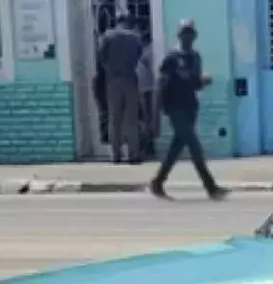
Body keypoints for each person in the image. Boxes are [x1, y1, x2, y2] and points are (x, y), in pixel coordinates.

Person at [150, 20, 227, 200]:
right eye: (184, 34)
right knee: (194, 147)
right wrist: (157, 113)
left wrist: (203, 81)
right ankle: (211, 187)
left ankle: (157, 182)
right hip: (175, 108)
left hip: (191, 107)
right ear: (179, 36)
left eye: (190, 34)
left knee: (176, 148)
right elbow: (160, 85)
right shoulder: (171, 59)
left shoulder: (195, 57)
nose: (187, 38)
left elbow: (195, 85)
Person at [97, 12, 144, 164]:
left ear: (117, 21)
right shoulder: (135, 38)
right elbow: (138, 56)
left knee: (114, 118)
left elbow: (101, 57)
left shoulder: (108, 36)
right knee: (131, 119)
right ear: (128, 22)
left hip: (113, 80)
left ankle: (115, 155)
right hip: (130, 78)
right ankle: (133, 154)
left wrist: (109, 69)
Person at [136, 34, 159, 161]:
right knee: (147, 118)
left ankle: (148, 144)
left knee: (146, 118)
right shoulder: (147, 51)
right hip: (145, 88)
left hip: (146, 89)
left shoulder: (147, 51)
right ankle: (148, 144)